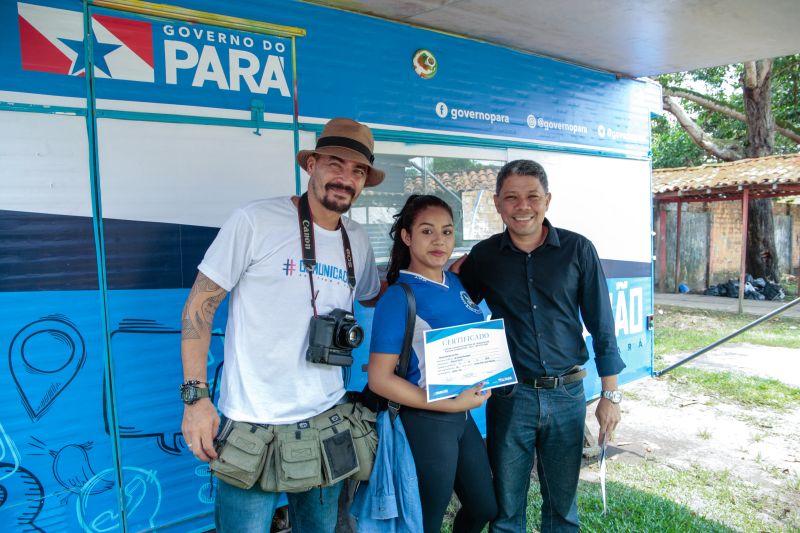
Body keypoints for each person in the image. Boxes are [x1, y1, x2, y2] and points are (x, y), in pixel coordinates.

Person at [179, 118, 383, 532]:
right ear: (312, 165)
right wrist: (196, 398)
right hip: (251, 421)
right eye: (336, 164)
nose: (346, 178)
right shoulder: (255, 220)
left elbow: (374, 296)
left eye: (358, 171)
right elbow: (200, 305)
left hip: (326, 418)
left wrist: (436, 271)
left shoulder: (356, 238)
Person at [455, 159, 626, 533]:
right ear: (498, 203)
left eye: (532, 196)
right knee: (506, 510)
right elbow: (454, 306)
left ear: (547, 200)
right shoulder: (484, 257)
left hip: (567, 396)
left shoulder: (578, 250)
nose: (523, 206)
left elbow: (602, 327)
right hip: (510, 396)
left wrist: (610, 398)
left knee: (562, 510)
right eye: (512, 198)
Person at [367, 194, 498, 533]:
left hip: (462, 416)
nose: (439, 240)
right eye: (427, 231)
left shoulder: (455, 282)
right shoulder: (399, 296)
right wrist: (443, 402)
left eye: (447, 231)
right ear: (407, 238)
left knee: (484, 506)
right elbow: (379, 379)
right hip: (425, 421)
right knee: (426, 521)